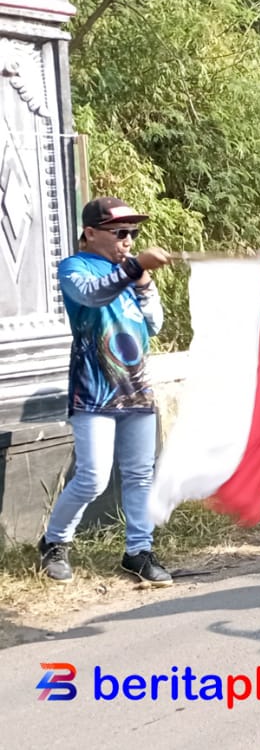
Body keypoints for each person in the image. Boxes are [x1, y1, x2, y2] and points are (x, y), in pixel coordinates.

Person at [38, 197, 173, 585]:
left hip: (137, 389)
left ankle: (138, 551)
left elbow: (155, 324)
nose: (128, 240)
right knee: (93, 478)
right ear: (91, 233)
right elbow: (92, 296)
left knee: (140, 475)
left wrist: (144, 281)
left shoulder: (129, 273)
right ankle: (54, 542)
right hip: (93, 392)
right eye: (119, 232)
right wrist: (135, 267)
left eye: (133, 233)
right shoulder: (74, 268)